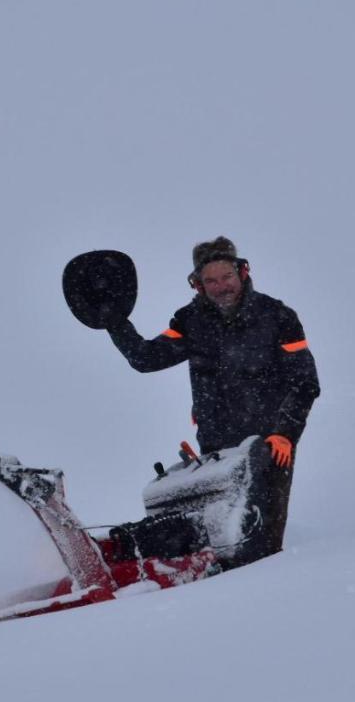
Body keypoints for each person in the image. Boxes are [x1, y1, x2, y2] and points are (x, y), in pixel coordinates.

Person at [104, 237, 320, 564]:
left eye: (227, 277)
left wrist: (285, 433)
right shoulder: (191, 321)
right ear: (198, 285)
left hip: (269, 444)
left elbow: (305, 383)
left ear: (242, 272)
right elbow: (146, 358)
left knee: (262, 544)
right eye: (211, 281)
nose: (221, 287)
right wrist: (115, 322)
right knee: (221, 540)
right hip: (216, 446)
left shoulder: (277, 316)